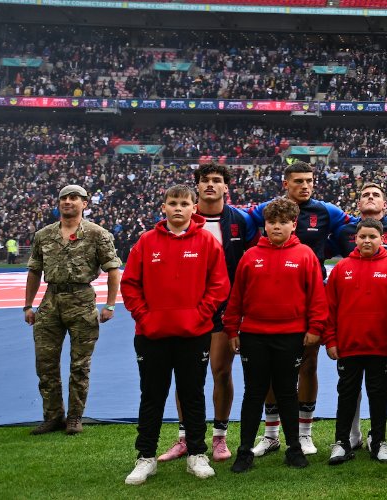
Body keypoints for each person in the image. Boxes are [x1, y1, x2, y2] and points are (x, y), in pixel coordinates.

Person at [121, 185, 230, 485]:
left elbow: (219, 285)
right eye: (173, 203)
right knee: (152, 396)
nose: (178, 208)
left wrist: (199, 315)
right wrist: (145, 316)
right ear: (164, 207)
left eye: (184, 203)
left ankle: (197, 453)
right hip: (151, 334)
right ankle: (145, 457)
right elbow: (130, 284)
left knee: (192, 394)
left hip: (193, 334)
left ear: (194, 208)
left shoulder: (207, 241)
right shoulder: (146, 241)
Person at [247, 162, 349, 456]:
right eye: (299, 181)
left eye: (309, 181)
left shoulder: (326, 211)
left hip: (310, 298)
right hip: (271, 297)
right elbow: (241, 222)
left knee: (308, 365)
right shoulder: (268, 209)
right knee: (268, 372)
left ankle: (305, 433)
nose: (305, 186)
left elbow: (354, 227)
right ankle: (270, 435)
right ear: (286, 183)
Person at [225, 198, 327, 472]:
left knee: (287, 392)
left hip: (291, 335)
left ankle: (294, 448)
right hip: (254, 335)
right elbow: (236, 297)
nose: (277, 227)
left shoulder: (305, 255)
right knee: (254, 393)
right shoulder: (250, 256)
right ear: (264, 226)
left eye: (283, 222)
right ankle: (244, 451)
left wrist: (315, 328)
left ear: (294, 225)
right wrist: (232, 328)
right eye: (272, 222)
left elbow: (317, 297)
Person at [163, 163, 254, 462]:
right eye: (205, 181)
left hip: (225, 309)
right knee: (187, 375)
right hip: (186, 308)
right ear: (197, 187)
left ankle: (219, 437)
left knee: (221, 371)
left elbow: (249, 264)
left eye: (217, 180)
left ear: (227, 186)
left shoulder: (240, 220)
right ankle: (186, 438)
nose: (211, 185)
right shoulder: (184, 219)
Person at [24, 184, 123, 436]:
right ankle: (52, 416)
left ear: (84, 204)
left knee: (80, 364)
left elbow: (113, 270)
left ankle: (75, 417)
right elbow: (35, 271)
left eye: (74, 198)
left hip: (81, 300)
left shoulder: (97, 234)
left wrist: (110, 304)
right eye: (64, 198)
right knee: (45, 364)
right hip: (50, 301)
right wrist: (28, 305)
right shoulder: (44, 235)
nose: (68, 201)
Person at [323, 218, 387, 465]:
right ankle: (341, 442)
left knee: (379, 394)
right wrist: (331, 340)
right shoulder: (341, 268)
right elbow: (330, 309)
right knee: (346, 393)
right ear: (355, 239)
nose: (367, 241)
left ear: (383, 239)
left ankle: (379, 441)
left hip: (381, 347)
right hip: (348, 346)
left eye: (372, 236)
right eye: (363, 237)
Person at [335, 183, 387, 261]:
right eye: (365, 195)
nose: (370, 197)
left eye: (376, 195)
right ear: (359, 205)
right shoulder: (344, 231)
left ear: (384, 205)